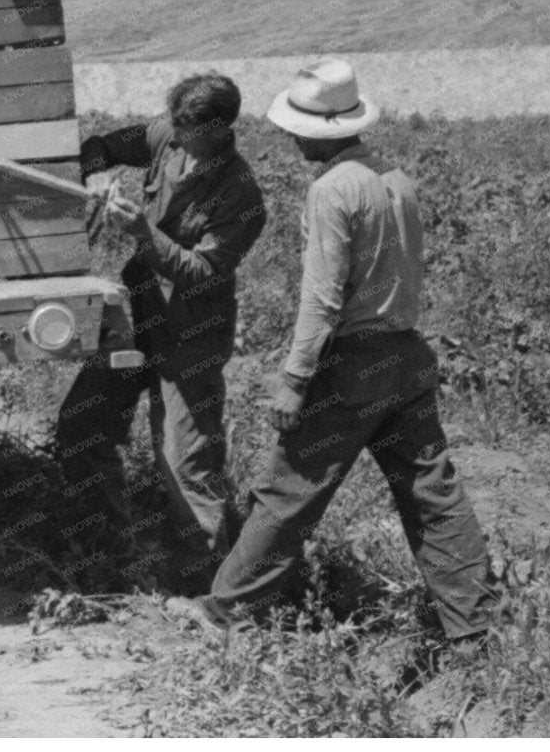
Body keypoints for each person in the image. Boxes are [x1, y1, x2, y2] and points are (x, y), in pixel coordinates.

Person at [174, 57, 493, 645]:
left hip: (352, 366)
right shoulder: (396, 179)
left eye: (297, 127)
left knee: (288, 492)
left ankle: (225, 611)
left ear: (314, 130)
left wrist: (295, 379)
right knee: (434, 496)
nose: (292, 137)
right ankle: (476, 629)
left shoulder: (331, 190)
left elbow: (321, 299)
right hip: (405, 356)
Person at [50, 72, 268, 576]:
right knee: (84, 425)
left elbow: (202, 271)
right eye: (172, 120)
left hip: (190, 332)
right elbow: (99, 146)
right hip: (135, 314)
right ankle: (108, 553)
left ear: (216, 129)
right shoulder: (166, 136)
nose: (173, 131)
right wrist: (97, 173)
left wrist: (143, 232)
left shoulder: (242, 195)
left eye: (185, 126)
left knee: (185, 460)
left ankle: (205, 584)